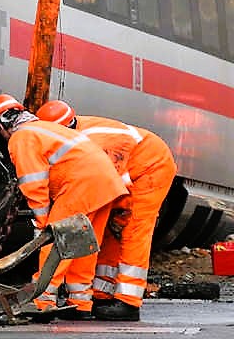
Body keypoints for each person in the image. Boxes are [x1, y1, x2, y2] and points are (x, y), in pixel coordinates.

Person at [36, 100, 178, 322]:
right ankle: (102, 294)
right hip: (133, 167)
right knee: (108, 232)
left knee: (134, 230)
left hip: (151, 168)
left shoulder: (99, 142)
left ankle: (129, 303)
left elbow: (102, 183)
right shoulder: (78, 136)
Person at [0, 94, 128, 319]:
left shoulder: (22, 137)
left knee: (56, 239)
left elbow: (33, 182)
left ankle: (42, 301)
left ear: (2, 124)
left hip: (82, 183)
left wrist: (43, 222)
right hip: (107, 182)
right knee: (84, 243)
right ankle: (80, 303)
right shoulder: (46, 128)